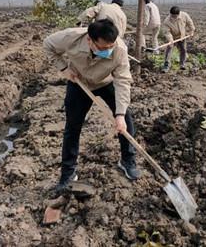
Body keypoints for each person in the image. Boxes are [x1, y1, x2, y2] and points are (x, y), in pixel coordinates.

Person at [43, 19, 141, 192]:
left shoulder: (119, 50)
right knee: (72, 127)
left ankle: (127, 160)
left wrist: (119, 114)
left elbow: (123, 81)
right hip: (79, 83)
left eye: (110, 47)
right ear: (90, 40)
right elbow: (48, 45)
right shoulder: (71, 37)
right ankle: (68, 172)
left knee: (126, 119)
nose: (107, 51)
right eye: (103, 48)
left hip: (105, 82)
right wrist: (63, 68)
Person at [161, 6, 195, 72]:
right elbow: (167, 32)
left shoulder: (184, 15)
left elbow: (190, 22)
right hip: (172, 37)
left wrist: (192, 30)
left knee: (183, 50)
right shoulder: (167, 21)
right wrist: (170, 40)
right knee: (169, 51)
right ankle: (166, 66)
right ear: (170, 14)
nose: (174, 18)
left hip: (182, 36)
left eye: (175, 16)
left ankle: (182, 64)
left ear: (178, 14)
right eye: (172, 16)